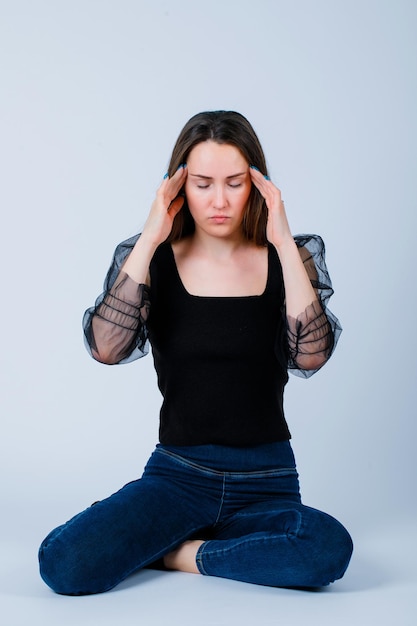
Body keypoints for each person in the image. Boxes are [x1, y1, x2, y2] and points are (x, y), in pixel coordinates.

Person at [38, 110, 353, 596]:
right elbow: (105, 348)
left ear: (259, 185)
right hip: (178, 478)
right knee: (63, 562)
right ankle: (210, 543)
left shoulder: (288, 258)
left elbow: (311, 355)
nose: (220, 200)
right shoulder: (155, 261)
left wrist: (284, 241)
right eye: (203, 184)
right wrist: (151, 233)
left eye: (235, 182)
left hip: (267, 478)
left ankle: (179, 552)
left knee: (327, 548)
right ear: (179, 186)